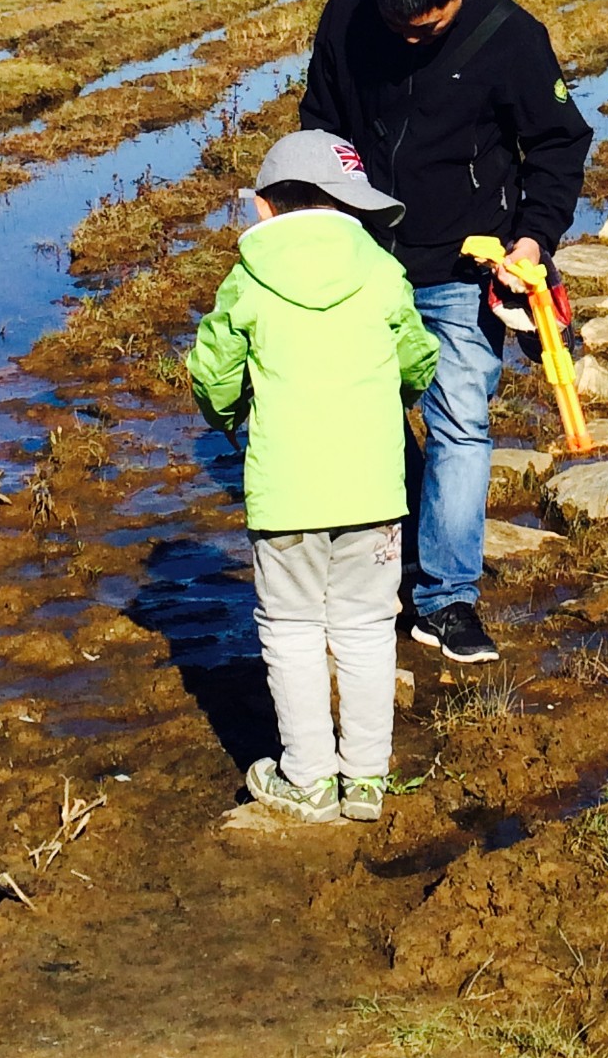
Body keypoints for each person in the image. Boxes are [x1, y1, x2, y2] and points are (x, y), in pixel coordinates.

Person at [299, 0, 593, 664]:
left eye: (422, 30)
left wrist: (531, 243)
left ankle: (447, 600)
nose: (405, 41)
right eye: (393, 27)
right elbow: (322, 123)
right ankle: (396, 555)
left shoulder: (510, 37)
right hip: (364, 261)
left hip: (467, 264)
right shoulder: (346, 16)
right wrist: (323, 219)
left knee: (461, 423)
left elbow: (558, 144)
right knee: (369, 415)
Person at [187, 130, 439, 825]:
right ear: (350, 207)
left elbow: (212, 374)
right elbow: (418, 358)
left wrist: (231, 414)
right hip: (372, 490)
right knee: (362, 626)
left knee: (292, 629)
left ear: (265, 209)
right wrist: (392, 396)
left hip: (285, 494)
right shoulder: (383, 271)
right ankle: (365, 779)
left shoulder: (247, 279)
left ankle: (307, 778)